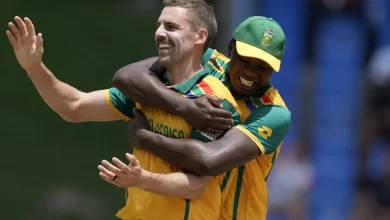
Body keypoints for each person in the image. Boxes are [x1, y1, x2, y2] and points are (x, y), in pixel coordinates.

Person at [5, 0, 240, 219]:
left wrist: (142, 179)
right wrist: (34, 67)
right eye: (158, 25)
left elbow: (197, 186)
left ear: (199, 36)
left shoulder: (215, 103)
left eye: (171, 26)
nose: (159, 33)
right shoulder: (148, 90)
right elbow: (73, 107)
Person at [110, 16, 292, 220]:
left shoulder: (273, 112)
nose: (250, 72)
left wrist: (144, 137)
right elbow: (126, 77)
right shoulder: (207, 63)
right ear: (231, 48)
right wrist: (185, 107)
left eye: (262, 67)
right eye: (245, 60)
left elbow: (209, 161)